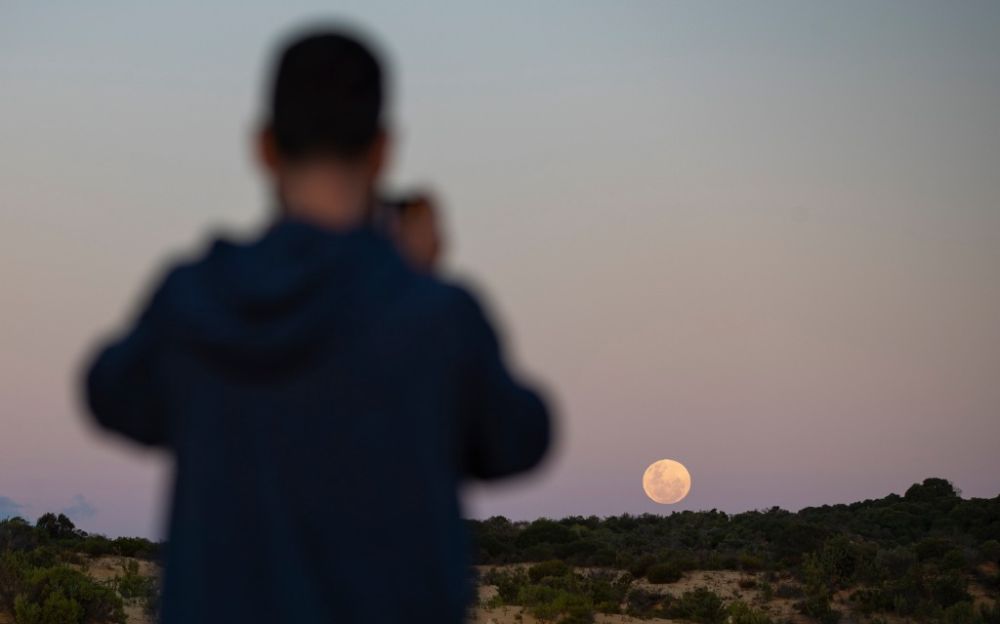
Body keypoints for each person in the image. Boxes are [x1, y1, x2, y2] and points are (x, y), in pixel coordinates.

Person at [82, 28, 551, 624]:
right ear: (382, 150)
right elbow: (520, 437)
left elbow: (109, 393)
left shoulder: (193, 300)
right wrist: (414, 277)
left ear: (265, 148)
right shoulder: (435, 318)